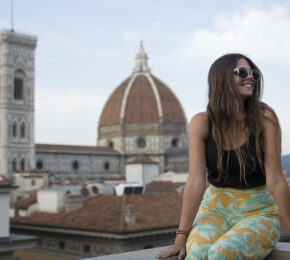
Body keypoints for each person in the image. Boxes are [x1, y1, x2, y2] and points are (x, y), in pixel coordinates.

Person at [156, 53, 290, 260]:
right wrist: (181, 238)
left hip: (258, 212)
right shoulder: (201, 123)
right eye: (242, 72)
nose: (250, 77)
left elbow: (276, 179)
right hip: (214, 211)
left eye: (253, 73)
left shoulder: (265, 118)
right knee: (197, 253)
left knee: (221, 253)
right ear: (222, 79)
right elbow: (195, 182)